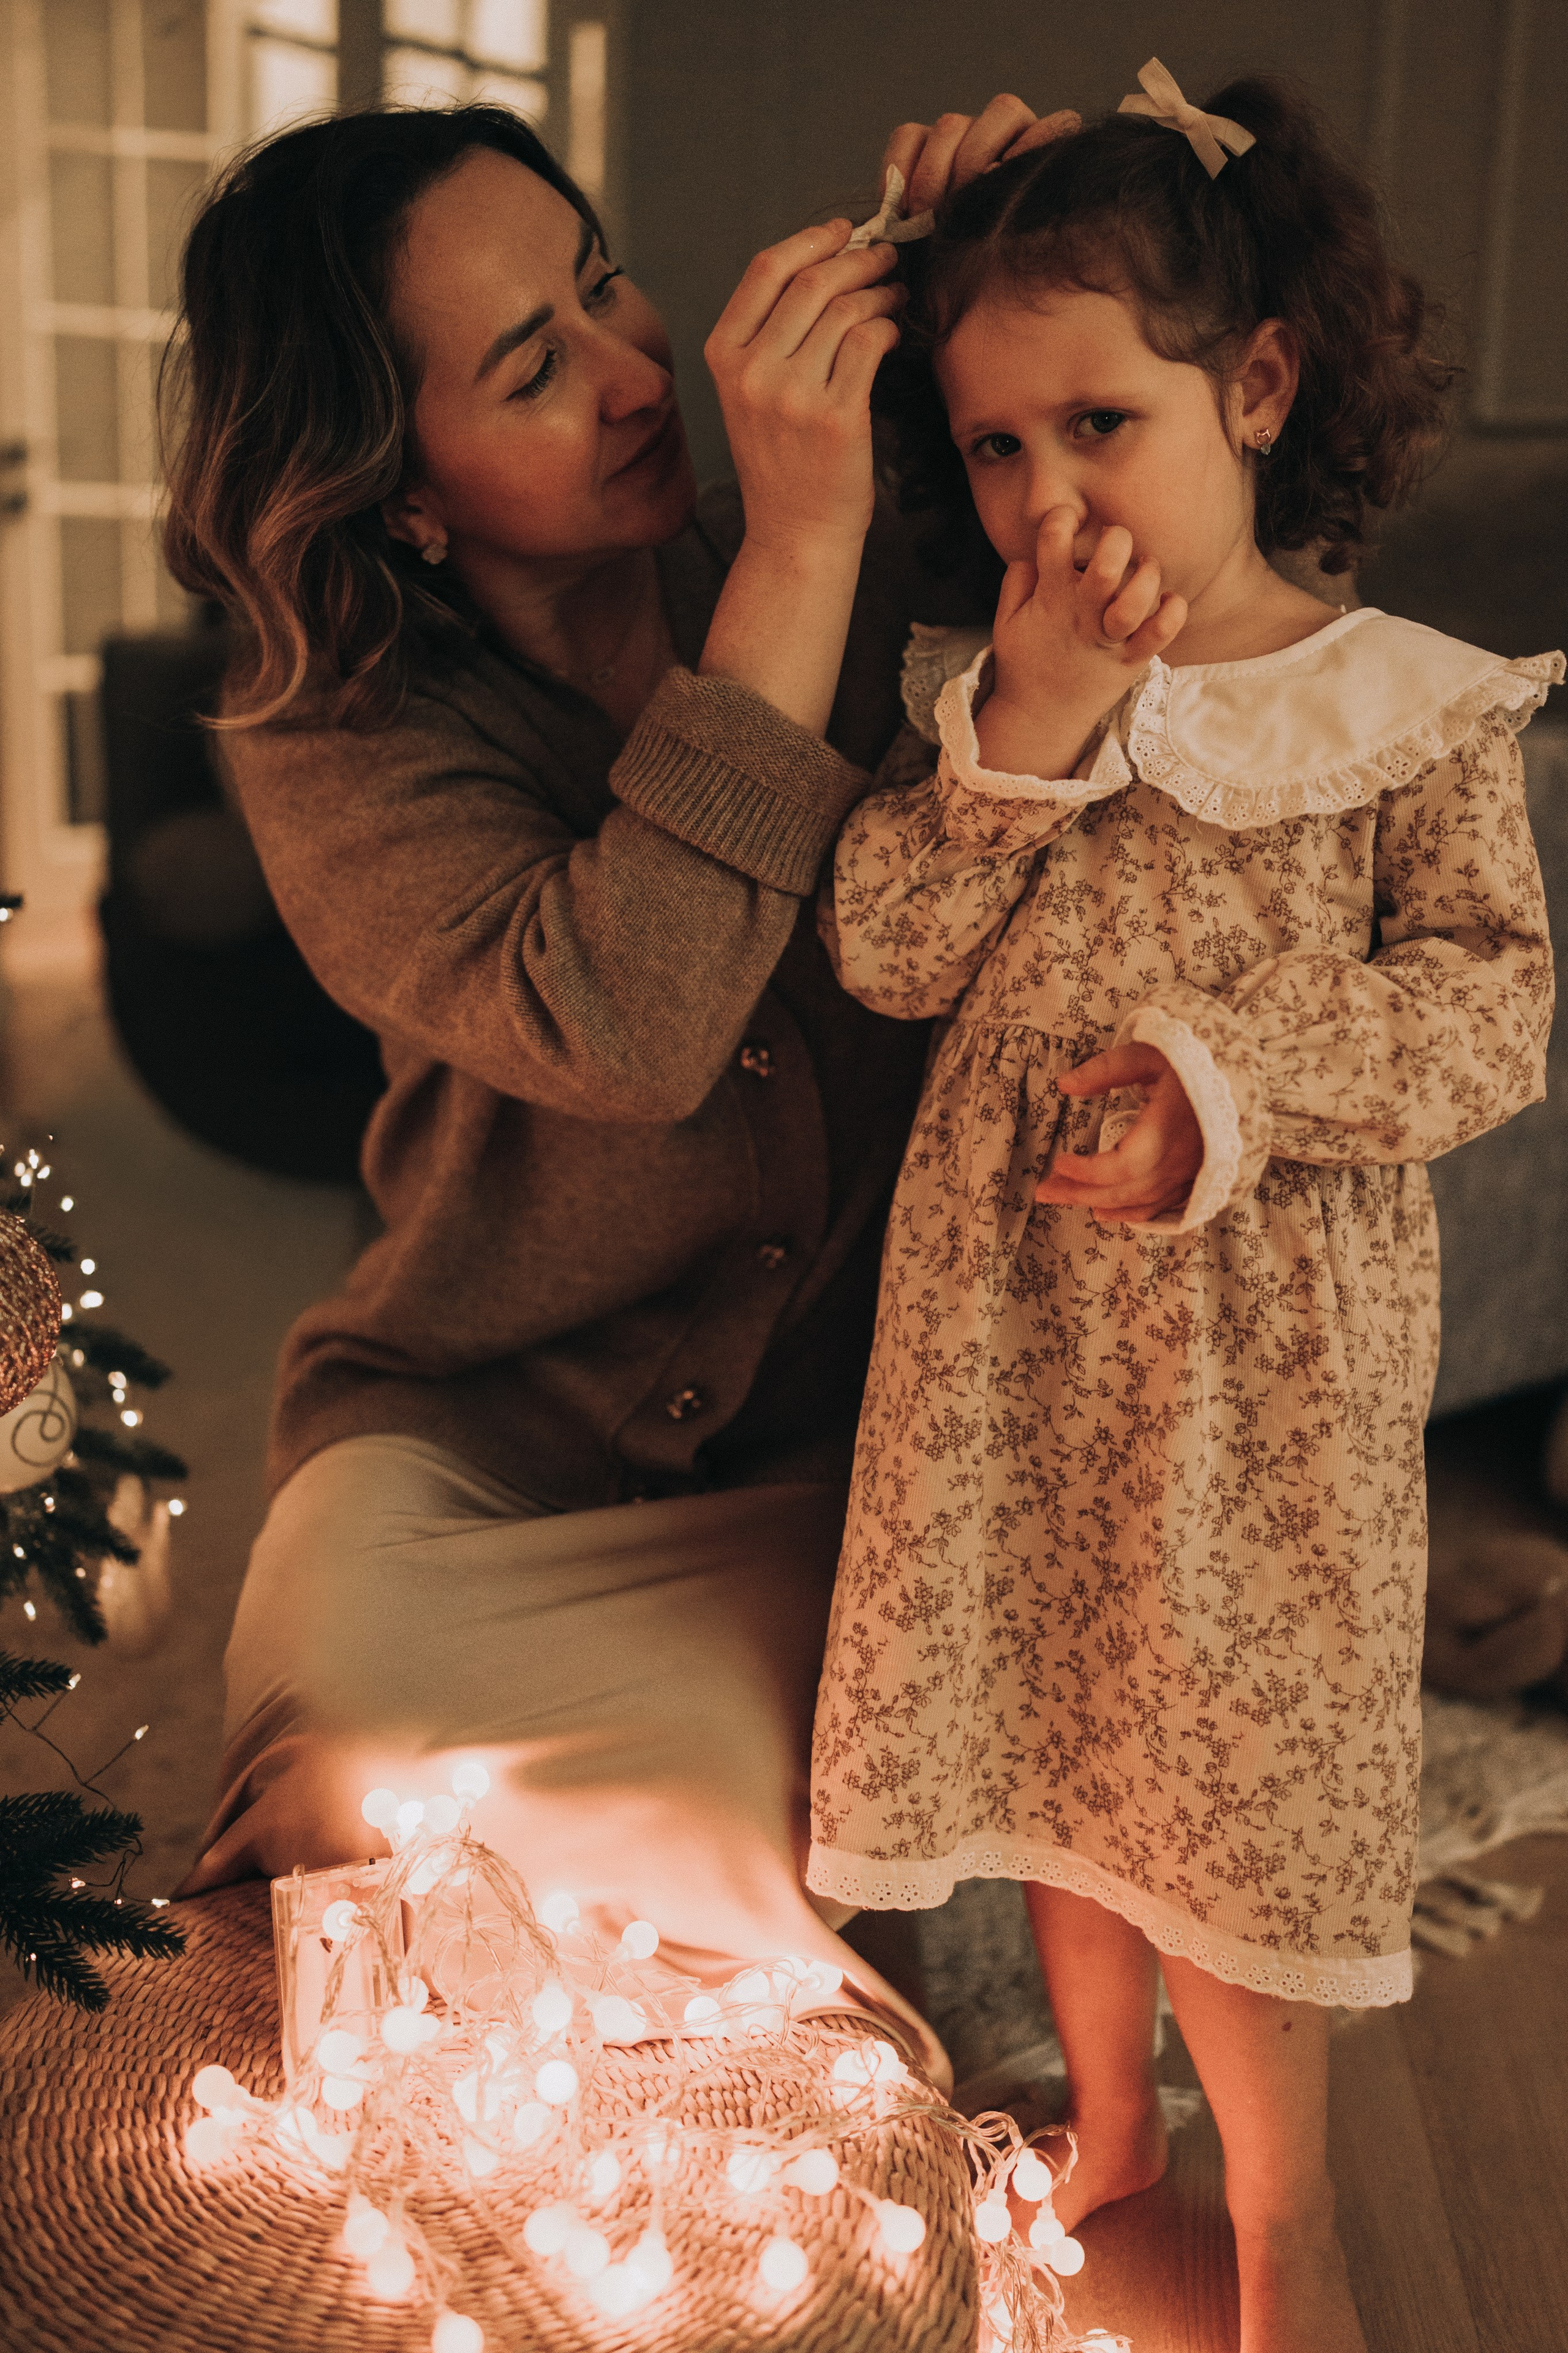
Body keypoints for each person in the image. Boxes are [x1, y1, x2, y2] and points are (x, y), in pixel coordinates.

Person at [162, 95, 1079, 2071]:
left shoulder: (881, 553)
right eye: (531, 366)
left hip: (837, 1455)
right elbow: (630, 1024)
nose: (635, 370)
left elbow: (1193, 518)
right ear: (401, 491)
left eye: (600, 285)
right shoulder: (332, 739)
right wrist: (805, 540)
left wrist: (1045, 242)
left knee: (752, 1805)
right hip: (468, 1430)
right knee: (356, 1763)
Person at [807, 64, 1561, 2350]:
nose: (1043, 493)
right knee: (1062, 1750)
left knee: (1235, 1804)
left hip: (1268, 1389)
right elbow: (885, 952)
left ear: (1254, 386)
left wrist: (1229, 1091)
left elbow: (1489, 1017)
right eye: (996, 449)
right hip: (1018, 1355)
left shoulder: (1404, 715)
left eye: (1099, 425)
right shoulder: (999, 695)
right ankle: (1110, 2146)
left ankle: (1285, 2218)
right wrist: (1020, 736)